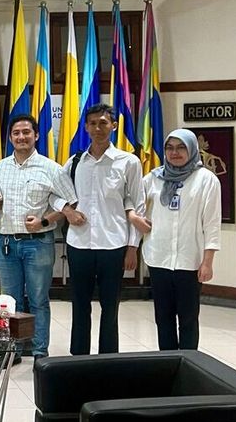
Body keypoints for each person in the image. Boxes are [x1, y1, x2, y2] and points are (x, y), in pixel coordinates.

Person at [56, 104, 144, 356]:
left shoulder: (128, 162)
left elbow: (137, 205)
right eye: (93, 123)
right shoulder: (74, 162)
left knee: (110, 306)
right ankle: (79, 356)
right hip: (79, 245)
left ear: (114, 126)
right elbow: (54, 193)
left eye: (103, 123)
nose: (98, 128)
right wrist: (67, 210)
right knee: (80, 304)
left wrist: (132, 247)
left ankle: (107, 357)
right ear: (85, 127)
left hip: (113, 245)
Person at [0, 114, 78, 367]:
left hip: (38, 242)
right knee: (9, 299)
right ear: (10, 137)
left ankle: (40, 350)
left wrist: (44, 220)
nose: (21, 137)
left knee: (39, 298)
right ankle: (12, 350)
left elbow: (69, 202)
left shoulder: (51, 168)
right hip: (6, 242)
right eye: (16, 133)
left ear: (37, 135)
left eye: (26, 132)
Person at [130, 129, 221, 350]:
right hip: (158, 258)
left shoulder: (206, 180)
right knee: (163, 317)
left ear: (191, 150)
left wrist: (208, 261)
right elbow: (135, 208)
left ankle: (189, 364)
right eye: (170, 148)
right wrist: (133, 224)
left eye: (181, 147)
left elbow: (212, 224)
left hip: (189, 261)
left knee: (188, 319)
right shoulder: (153, 178)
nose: (175, 153)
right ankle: (167, 361)